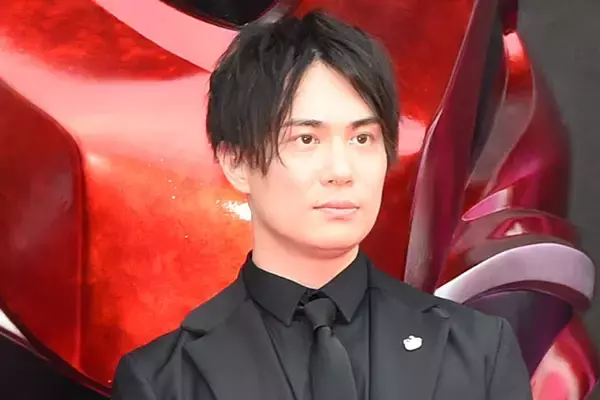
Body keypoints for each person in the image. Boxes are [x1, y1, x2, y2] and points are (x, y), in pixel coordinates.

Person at [111, 10, 532, 400]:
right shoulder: (164, 379)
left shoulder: (477, 348)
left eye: (362, 139)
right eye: (307, 139)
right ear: (236, 162)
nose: (341, 170)